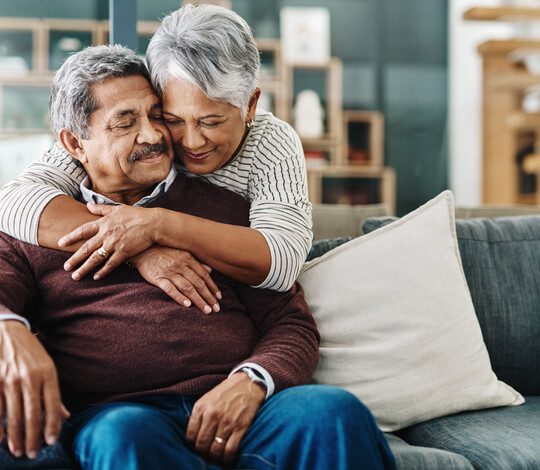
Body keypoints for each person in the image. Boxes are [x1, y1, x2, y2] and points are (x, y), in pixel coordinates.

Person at [0, 45, 396, 470]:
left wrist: (253, 381)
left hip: (244, 410)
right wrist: (9, 330)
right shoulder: (34, 227)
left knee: (333, 412)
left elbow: (291, 321)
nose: (153, 136)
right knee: (125, 436)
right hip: (123, 413)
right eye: (125, 123)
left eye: (157, 115)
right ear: (75, 143)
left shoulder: (225, 212)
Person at [0, 4, 312, 316]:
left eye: (211, 122)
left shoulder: (270, 142)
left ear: (251, 105)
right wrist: (140, 249)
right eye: (173, 118)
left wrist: (157, 225)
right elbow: (13, 201)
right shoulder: (137, 134)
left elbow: (283, 261)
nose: (191, 142)